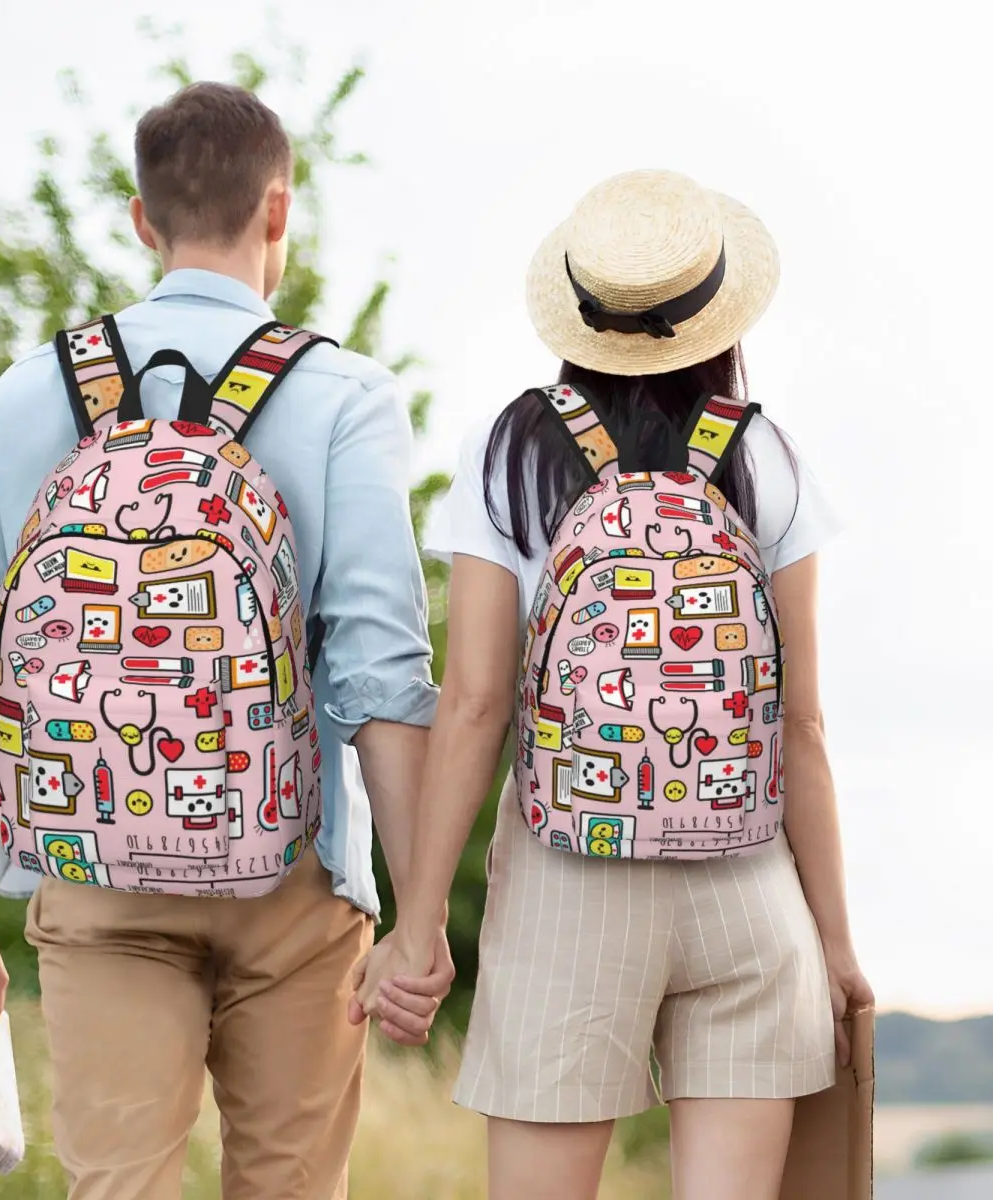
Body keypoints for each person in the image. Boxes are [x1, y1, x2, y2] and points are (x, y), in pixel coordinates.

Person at [0, 81, 453, 1200]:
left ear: (143, 220)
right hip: (296, 875)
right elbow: (382, 679)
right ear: (279, 213)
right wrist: (420, 914)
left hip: (92, 874)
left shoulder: (30, 394)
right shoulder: (344, 395)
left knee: (118, 1186)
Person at [352, 169, 874, 1200]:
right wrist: (836, 943)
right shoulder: (766, 455)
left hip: (567, 882)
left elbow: (473, 705)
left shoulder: (511, 451)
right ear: (718, 314)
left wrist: (416, 927)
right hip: (748, 886)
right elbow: (802, 725)